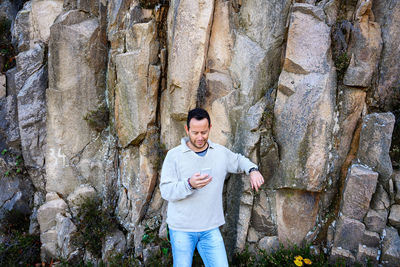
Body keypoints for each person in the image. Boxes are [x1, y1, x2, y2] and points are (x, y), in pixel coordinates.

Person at [160, 108, 265, 267]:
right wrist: (189, 184)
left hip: (210, 229)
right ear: (187, 129)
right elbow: (166, 191)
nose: (200, 137)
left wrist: (253, 170)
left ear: (210, 128)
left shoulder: (220, 153)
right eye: (195, 133)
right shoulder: (174, 155)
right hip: (181, 229)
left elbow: (238, 160)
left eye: (204, 132)